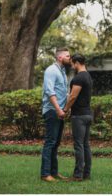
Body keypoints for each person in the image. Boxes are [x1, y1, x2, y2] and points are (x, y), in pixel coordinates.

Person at [41, 47, 71, 182]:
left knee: (56, 143)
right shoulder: (51, 71)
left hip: (59, 111)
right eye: (68, 56)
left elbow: (62, 93)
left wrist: (65, 108)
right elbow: (49, 91)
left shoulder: (63, 71)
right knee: (50, 142)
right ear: (60, 57)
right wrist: (58, 109)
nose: (70, 59)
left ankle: (54, 172)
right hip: (52, 111)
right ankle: (45, 174)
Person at [63, 53, 93, 181]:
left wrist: (65, 109)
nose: (72, 66)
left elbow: (73, 96)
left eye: (72, 64)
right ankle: (86, 173)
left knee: (79, 145)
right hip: (87, 114)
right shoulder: (88, 76)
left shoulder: (79, 78)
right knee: (85, 145)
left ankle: (77, 175)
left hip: (79, 116)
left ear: (76, 63)